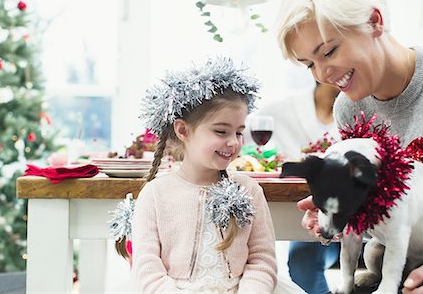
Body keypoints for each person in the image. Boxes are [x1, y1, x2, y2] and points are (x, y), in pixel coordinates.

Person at [276, 0, 423, 293]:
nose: (322, 75)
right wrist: (341, 208)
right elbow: (377, 209)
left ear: (374, 21)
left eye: (329, 51)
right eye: (309, 64)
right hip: (393, 270)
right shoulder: (348, 109)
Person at [115, 57, 304, 293]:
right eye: (221, 131)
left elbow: (261, 258)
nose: (233, 142)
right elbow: (147, 268)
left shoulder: (249, 190)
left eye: (239, 132)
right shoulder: (155, 194)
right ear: (183, 130)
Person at [256, 81, 341, 294]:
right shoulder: (281, 110)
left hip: (365, 217)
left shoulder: (371, 105)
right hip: (311, 216)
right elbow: (239, 136)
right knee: (302, 260)